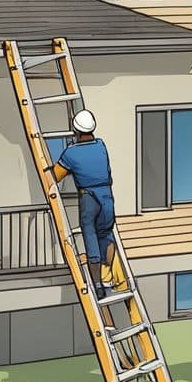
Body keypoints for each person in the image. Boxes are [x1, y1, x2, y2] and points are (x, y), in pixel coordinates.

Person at [50, 110, 117, 299]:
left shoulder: (71, 153)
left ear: (76, 131)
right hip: (107, 196)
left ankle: (97, 286)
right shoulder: (101, 146)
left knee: (90, 237)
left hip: (89, 198)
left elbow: (56, 176)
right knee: (107, 235)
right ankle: (107, 278)